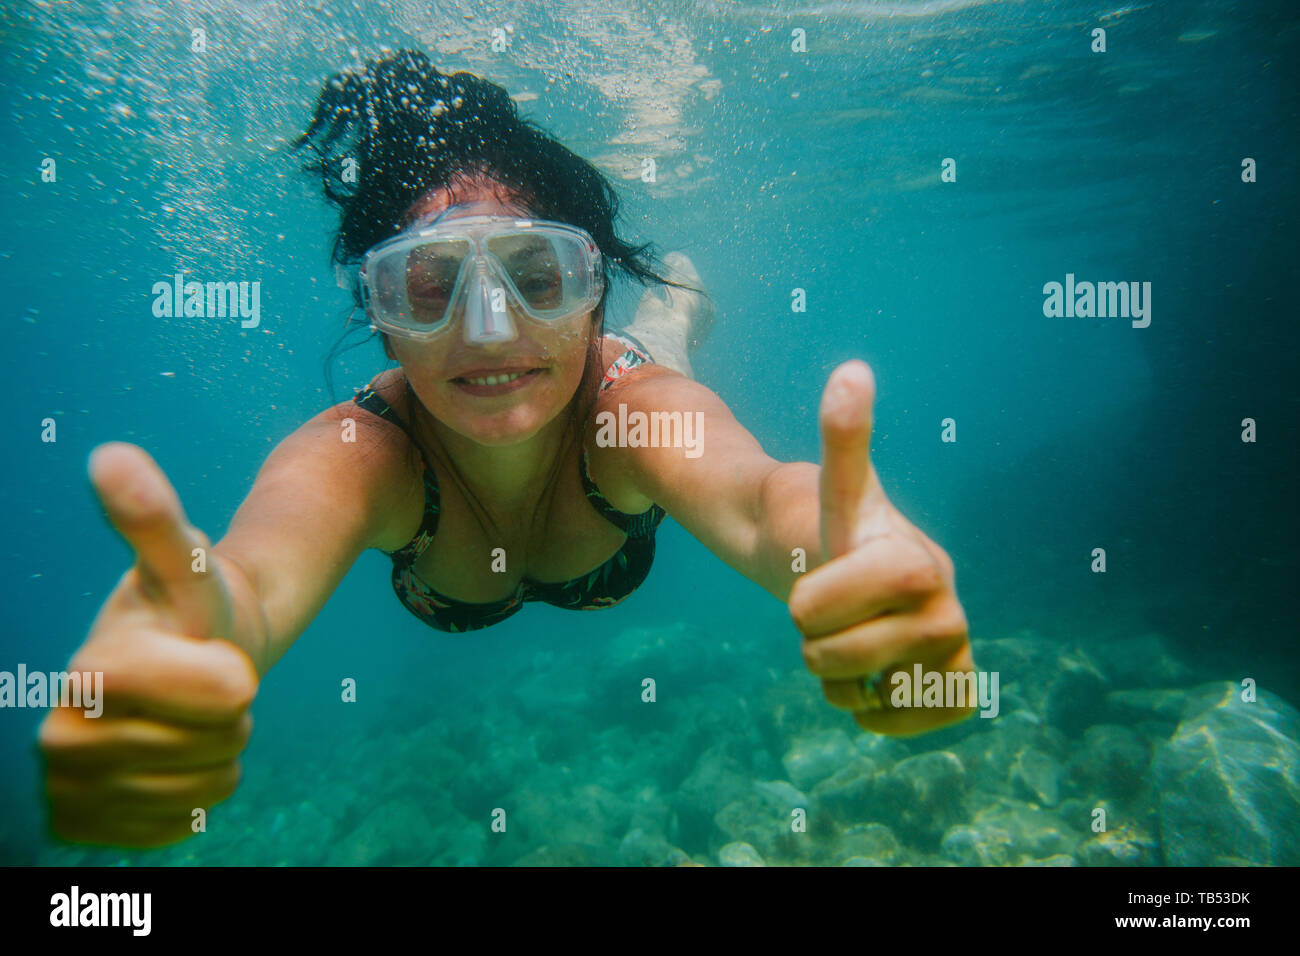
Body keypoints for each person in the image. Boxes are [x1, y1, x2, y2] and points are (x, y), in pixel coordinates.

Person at [38, 50, 973, 848]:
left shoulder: (631, 414)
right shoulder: (364, 452)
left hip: (620, 386)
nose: (488, 332)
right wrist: (200, 632)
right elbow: (249, 581)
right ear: (381, 319)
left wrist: (853, 553)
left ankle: (672, 310)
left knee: (668, 362)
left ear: (591, 290)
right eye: (428, 285)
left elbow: (764, 501)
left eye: (538, 277)